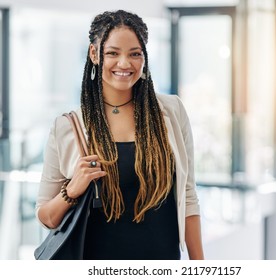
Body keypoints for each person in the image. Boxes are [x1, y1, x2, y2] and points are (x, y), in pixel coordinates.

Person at [35, 9, 204, 260]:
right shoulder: (69, 126)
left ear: (144, 57)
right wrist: (72, 190)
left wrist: (199, 266)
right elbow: (46, 217)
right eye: (113, 53)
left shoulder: (172, 111)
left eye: (135, 54)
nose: (125, 64)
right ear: (94, 54)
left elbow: (188, 197)